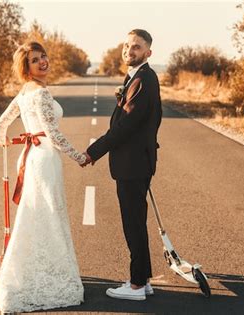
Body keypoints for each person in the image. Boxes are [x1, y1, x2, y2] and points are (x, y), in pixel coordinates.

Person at [0, 41, 86, 312]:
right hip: (44, 159)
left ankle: (28, 267)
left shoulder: (24, 92)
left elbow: (1, 123)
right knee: (49, 214)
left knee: (34, 214)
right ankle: (48, 273)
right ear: (26, 67)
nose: (43, 62)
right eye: (34, 60)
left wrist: (3, 140)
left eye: (43, 56)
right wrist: (80, 157)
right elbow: (52, 134)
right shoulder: (40, 93)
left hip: (31, 157)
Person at [83, 29, 162, 301]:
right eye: (127, 46)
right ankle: (143, 279)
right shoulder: (139, 77)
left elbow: (126, 126)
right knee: (136, 222)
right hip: (137, 161)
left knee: (133, 224)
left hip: (133, 163)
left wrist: (93, 152)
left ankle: (137, 286)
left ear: (148, 53)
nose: (130, 50)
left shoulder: (142, 80)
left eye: (137, 47)